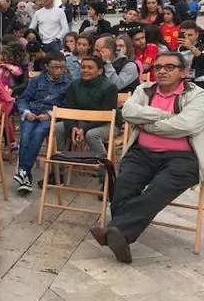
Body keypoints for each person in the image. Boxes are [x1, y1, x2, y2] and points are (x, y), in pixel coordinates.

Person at [90, 52, 204, 264]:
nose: (161, 71)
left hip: (182, 157)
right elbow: (129, 113)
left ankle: (118, 230)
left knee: (158, 189)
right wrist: (166, 117)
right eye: (158, 67)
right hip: (142, 152)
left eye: (169, 67)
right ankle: (121, 235)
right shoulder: (144, 89)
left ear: (183, 72)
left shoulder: (197, 95)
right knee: (123, 186)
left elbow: (187, 125)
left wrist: (147, 123)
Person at [50, 56, 118, 187]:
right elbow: (69, 108)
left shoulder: (110, 87)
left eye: (90, 67)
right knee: (59, 127)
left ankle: (106, 180)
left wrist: (84, 129)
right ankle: (60, 173)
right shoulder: (74, 84)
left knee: (92, 135)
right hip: (81, 120)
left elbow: (105, 115)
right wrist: (73, 127)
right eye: (83, 67)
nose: (85, 70)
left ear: (99, 71)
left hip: (106, 123)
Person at [13, 51, 71, 193]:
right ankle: (26, 176)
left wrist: (50, 115)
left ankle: (24, 172)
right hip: (32, 112)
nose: (59, 70)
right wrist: (27, 112)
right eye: (55, 67)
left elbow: (66, 104)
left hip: (49, 115)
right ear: (47, 67)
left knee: (38, 134)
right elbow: (24, 99)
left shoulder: (68, 83)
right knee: (25, 136)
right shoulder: (37, 80)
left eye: (62, 67)